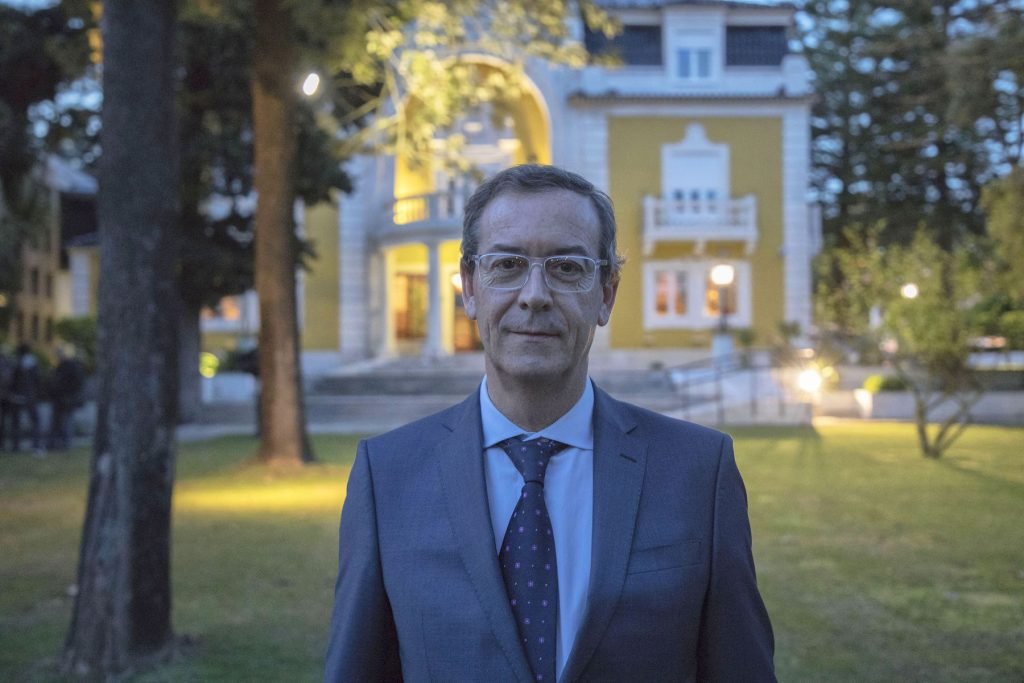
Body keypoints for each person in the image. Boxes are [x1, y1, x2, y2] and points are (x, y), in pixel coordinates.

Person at [325, 165, 775, 682]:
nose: (535, 294)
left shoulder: (698, 471)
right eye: (507, 264)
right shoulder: (388, 476)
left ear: (606, 293)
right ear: (469, 287)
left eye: (566, 267)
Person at [47, 345, 86, 450]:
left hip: (67, 399)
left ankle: (66, 443)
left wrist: (67, 394)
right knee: (60, 422)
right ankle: (59, 443)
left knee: (66, 422)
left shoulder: (69, 367)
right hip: (61, 399)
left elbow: (75, 383)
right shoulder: (61, 367)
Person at [7, 343, 43, 453]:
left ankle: (15, 446)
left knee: (16, 422)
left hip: (17, 396)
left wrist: (12, 393)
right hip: (30, 396)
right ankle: (36, 444)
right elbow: (38, 381)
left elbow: (12, 380)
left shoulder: (16, 363)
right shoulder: (34, 363)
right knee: (35, 421)